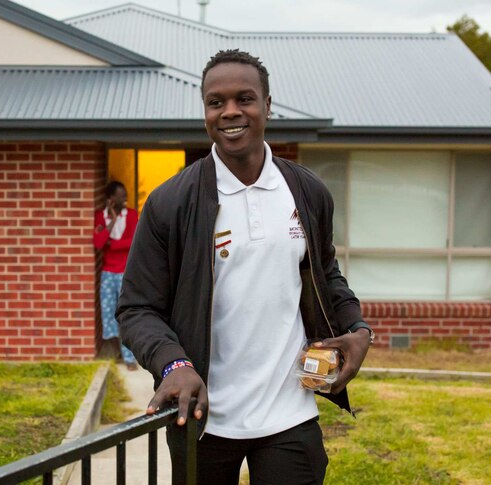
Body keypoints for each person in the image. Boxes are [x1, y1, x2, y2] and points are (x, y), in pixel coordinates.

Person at [116, 49, 374, 484]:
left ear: (268, 106)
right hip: (203, 419)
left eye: (245, 99)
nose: (230, 111)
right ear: (205, 113)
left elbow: (326, 275)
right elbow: (137, 309)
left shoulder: (306, 192)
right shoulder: (171, 203)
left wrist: (360, 331)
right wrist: (174, 365)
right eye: (216, 102)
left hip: (290, 413)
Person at [93, 180, 139, 370]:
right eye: (120, 194)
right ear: (110, 199)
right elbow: (98, 243)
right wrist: (111, 221)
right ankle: (116, 352)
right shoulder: (101, 217)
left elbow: (134, 240)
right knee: (108, 314)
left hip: (126, 273)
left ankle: (129, 357)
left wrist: (113, 245)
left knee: (126, 315)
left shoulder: (133, 215)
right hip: (107, 274)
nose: (124, 197)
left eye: (125, 193)